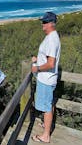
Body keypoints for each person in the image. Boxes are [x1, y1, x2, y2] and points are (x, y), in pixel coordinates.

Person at [31, 12, 61, 143]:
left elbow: (51, 63)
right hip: (48, 79)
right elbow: (48, 58)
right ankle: (46, 125)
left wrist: (36, 68)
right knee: (49, 103)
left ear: (50, 24)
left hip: (46, 79)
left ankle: (45, 136)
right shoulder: (52, 37)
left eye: (44, 22)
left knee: (47, 107)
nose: (42, 24)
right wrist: (39, 59)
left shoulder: (52, 40)